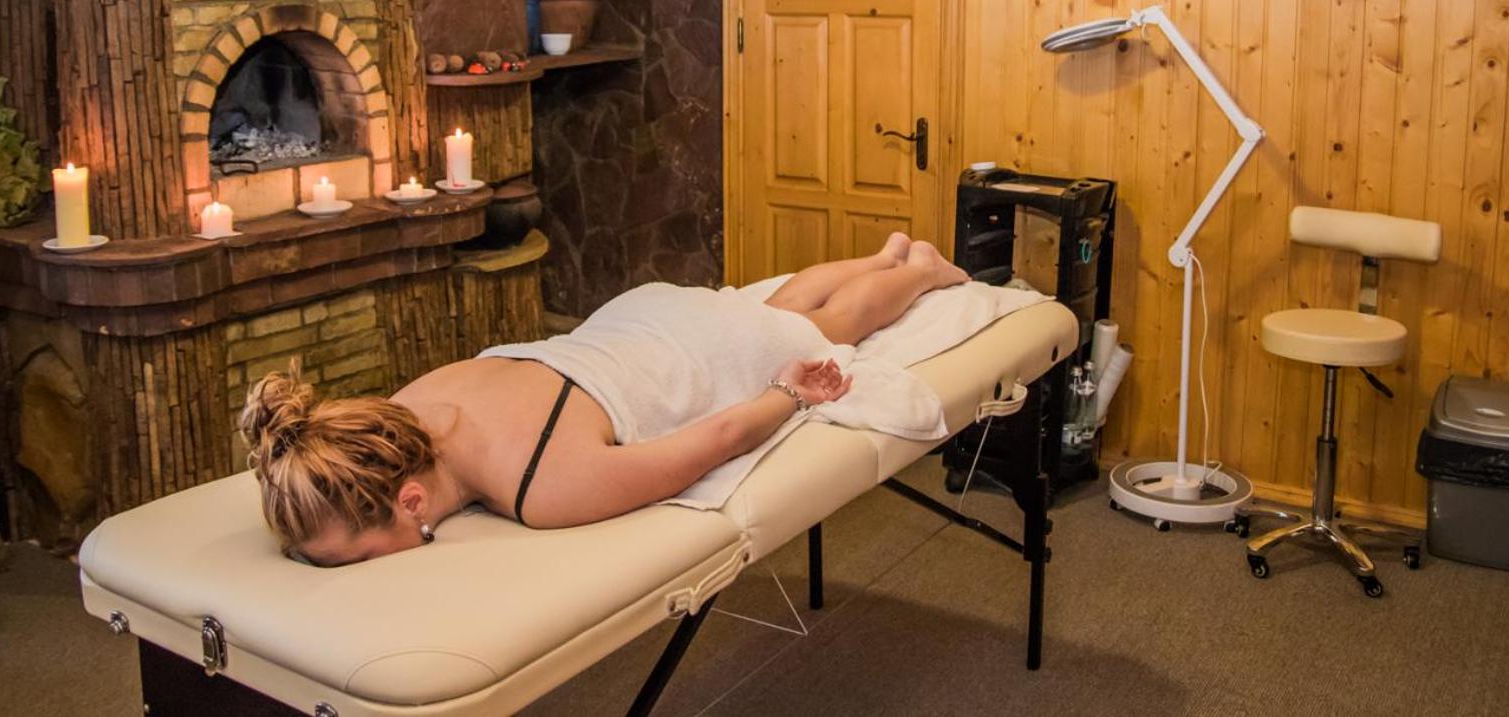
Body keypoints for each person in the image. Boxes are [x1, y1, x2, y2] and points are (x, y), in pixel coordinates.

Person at [241, 234, 969, 566]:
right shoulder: (395, 410)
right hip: (631, 318)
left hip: (687, 356)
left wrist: (788, 390)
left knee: (828, 329)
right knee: (763, 308)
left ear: (410, 502)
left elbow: (714, 443)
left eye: (346, 560)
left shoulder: (539, 483)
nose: (331, 570)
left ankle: (922, 272)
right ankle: (883, 254)